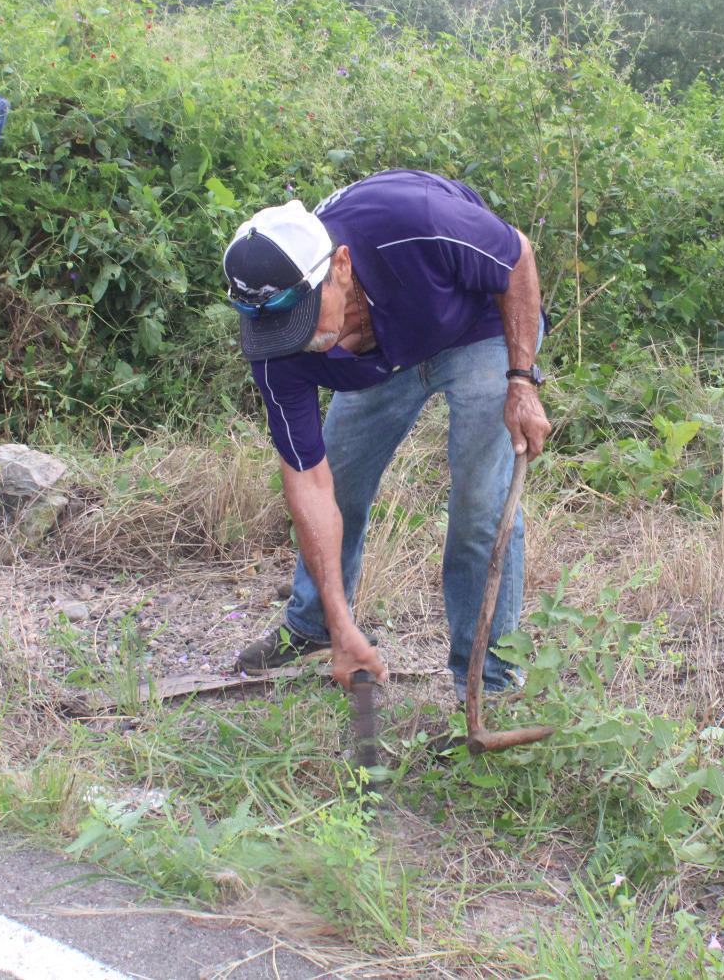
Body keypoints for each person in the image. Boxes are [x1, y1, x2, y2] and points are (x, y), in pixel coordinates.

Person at [221, 169, 551, 696]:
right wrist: (343, 621)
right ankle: (320, 625)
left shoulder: (415, 221)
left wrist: (521, 381)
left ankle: (489, 680)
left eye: (306, 317)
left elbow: (517, 257)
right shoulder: (277, 346)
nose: (298, 340)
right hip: (380, 358)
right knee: (341, 483)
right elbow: (309, 483)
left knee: (478, 507)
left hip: (476, 329)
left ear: (341, 267)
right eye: (281, 329)